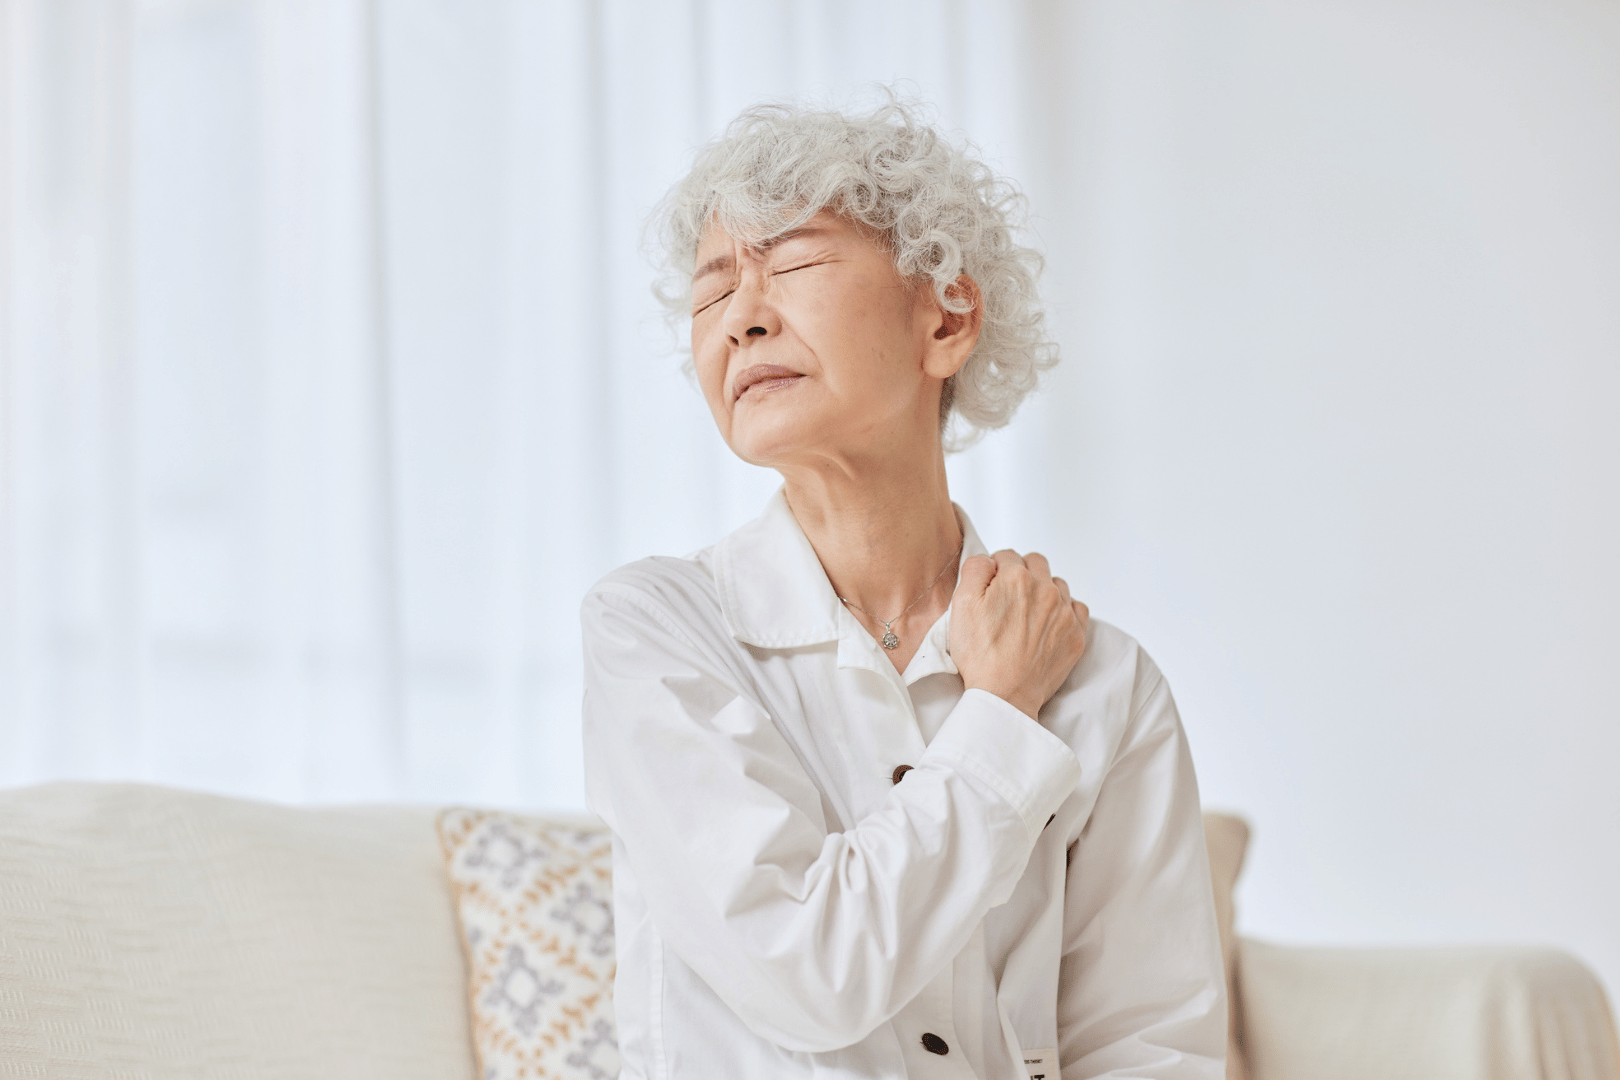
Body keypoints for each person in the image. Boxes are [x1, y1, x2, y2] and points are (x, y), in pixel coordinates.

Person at [581, 95, 1225, 1079]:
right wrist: (1000, 719)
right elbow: (805, 972)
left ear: (947, 318)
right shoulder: (655, 632)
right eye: (713, 295)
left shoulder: (1107, 685)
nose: (743, 320)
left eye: (791, 265)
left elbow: (1149, 1046)